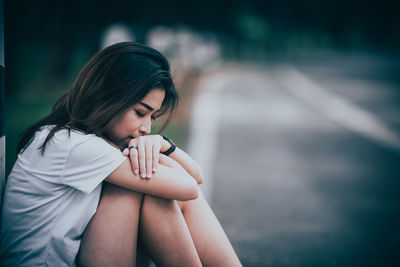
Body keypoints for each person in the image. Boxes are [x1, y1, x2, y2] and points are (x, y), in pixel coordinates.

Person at [0, 42, 241, 267]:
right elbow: (188, 187)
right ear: (108, 96)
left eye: (152, 117)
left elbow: (194, 179)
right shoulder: (69, 144)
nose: (146, 128)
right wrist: (156, 149)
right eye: (140, 112)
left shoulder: (87, 142)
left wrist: (161, 143)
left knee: (147, 181)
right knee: (147, 186)